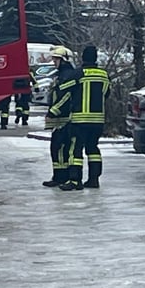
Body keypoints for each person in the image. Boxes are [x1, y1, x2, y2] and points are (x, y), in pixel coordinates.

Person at [59, 45, 111, 191]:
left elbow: (63, 88)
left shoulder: (79, 74)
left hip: (80, 119)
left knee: (75, 149)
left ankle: (75, 180)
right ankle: (94, 179)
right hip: (98, 120)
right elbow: (106, 94)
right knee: (93, 149)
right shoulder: (104, 75)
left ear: (83, 58)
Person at [42, 46, 76, 188]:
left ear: (64, 60)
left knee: (60, 148)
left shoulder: (67, 75)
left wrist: (53, 111)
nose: (54, 62)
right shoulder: (62, 74)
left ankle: (61, 177)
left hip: (64, 117)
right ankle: (58, 176)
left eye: (56, 59)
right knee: (56, 147)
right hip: (60, 117)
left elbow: (65, 96)